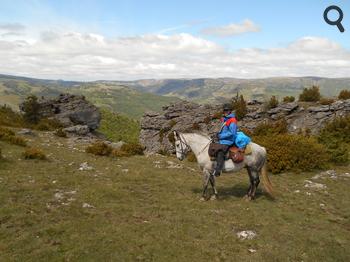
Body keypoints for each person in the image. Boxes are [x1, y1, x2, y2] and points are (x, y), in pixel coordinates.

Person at [211, 103, 238, 177]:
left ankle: (218, 170)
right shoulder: (224, 119)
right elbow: (222, 129)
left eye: (227, 110)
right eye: (224, 110)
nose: (225, 111)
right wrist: (216, 134)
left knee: (220, 151)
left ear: (230, 111)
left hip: (229, 140)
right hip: (222, 139)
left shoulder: (233, 120)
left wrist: (220, 136)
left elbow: (232, 133)